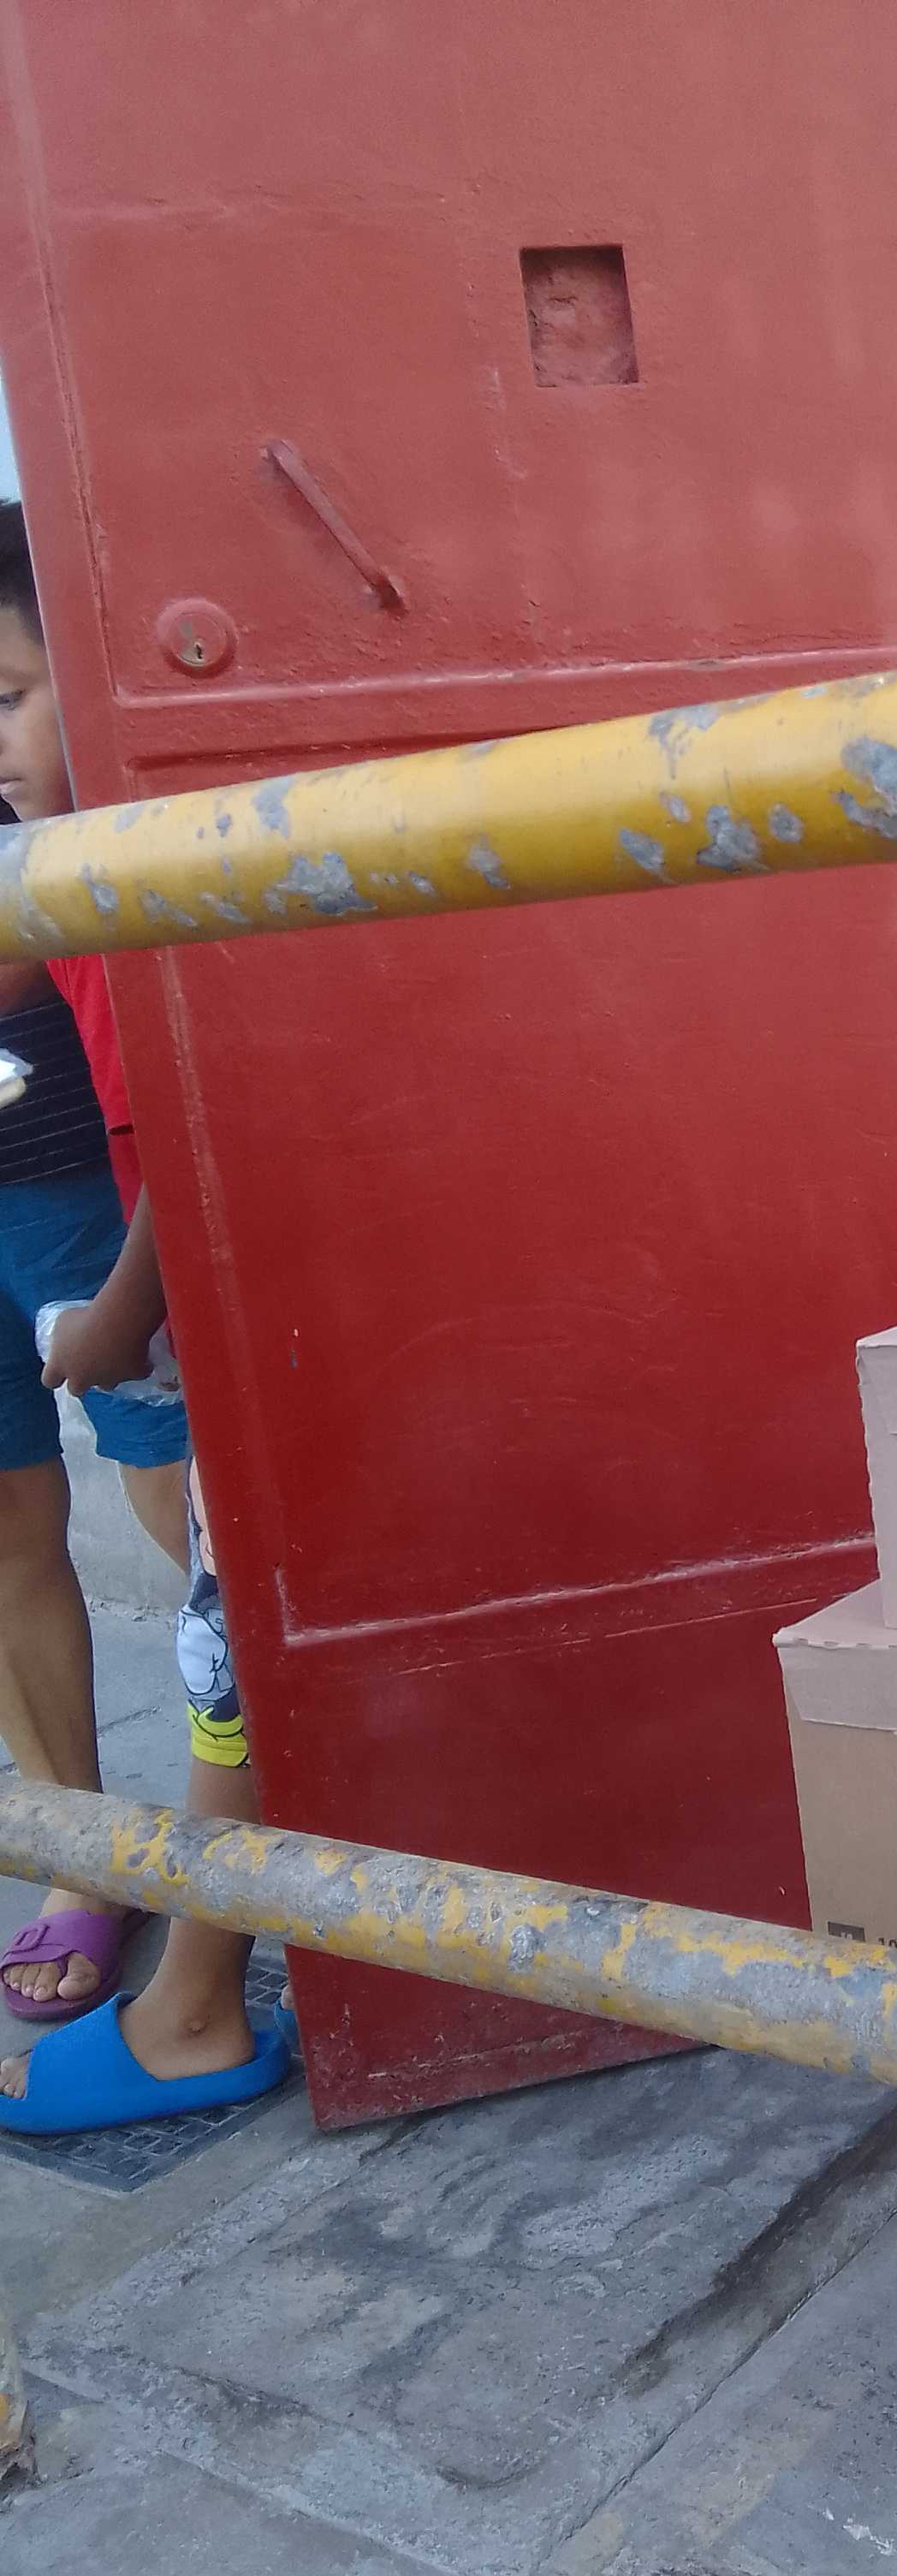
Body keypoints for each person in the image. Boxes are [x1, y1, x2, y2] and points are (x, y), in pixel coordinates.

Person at [0, 502, 288, 2126]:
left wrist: (114, 1325)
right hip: (206, 1308)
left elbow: (188, 1133)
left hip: (216, 1314)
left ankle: (195, 2010)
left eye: (4, 698)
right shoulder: (71, 875)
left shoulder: (125, 873)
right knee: (226, 1641)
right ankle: (203, 1985)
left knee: (229, 1640)